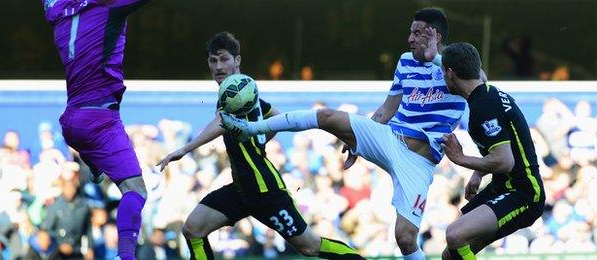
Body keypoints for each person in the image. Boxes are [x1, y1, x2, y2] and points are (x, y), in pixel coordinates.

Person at [220, 8, 464, 259]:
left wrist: (436, 58)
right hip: (390, 139)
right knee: (325, 116)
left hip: (418, 162)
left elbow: (479, 81)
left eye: (416, 33)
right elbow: (386, 110)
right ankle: (250, 128)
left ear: (433, 34)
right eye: (410, 32)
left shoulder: (454, 65)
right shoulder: (405, 60)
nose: (410, 38)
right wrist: (358, 141)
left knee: (405, 238)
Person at [157, 32, 363, 259]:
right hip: (240, 189)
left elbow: (221, 123)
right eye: (213, 61)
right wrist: (260, 138)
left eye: (224, 59)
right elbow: (275, 117)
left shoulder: (237, 93)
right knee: (193, 229)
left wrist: (184, 149)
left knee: (309, 246)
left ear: (237, 60)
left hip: (266, 191)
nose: (218, 66)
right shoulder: (243, 92)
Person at [42, 0, 151, 259]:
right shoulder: (107, 7)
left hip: (71, 122)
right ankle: (126, 256)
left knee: (92, 150)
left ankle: (94, 166)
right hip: (100, 120)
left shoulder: (59, 15)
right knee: (136, 191)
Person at [439, 42, 545, 259]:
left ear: (450, 74)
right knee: (449, 256)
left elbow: (505, 162)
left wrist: (460, 158)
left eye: (443, 71)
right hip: (503, 186)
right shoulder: (486, 90)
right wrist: (478, 173)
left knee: (455, 235)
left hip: (523, 192)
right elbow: (480, 73)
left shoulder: (483, 108)